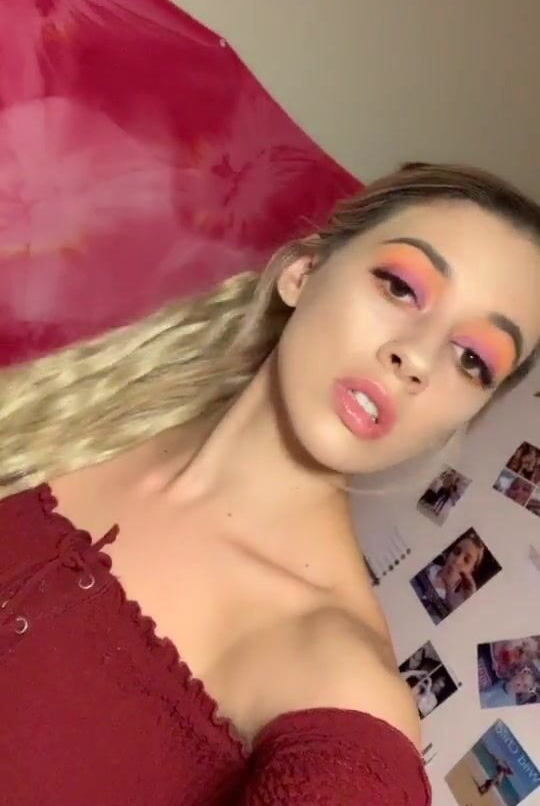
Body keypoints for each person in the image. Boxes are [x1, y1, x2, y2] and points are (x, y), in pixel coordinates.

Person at [1, 162, 540, 806]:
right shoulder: (84, 405)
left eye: (473, 359)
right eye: (401, 287)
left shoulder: (339, 683)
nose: (417, 357)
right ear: (303, 272)